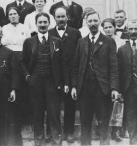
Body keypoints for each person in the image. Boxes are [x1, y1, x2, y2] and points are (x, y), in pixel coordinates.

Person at [71, 10, 119, 145]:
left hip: (102, 88)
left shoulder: (108, 42)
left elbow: (114, 66)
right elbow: (76, 66)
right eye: (90, 21)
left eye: (95, 21)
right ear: (86, 23)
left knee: (103, 123)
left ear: (99, 21)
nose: (93, 24)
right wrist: (74, 86)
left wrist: (114, 88)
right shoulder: (81, 42)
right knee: (85, 123)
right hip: (84, 88)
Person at [21, 12, 69, 146]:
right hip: (35, 83)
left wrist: (64, 82)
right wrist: (28, 77)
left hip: (53, 83)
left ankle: (56, 142)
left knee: (54, 115)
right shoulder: (29, 42)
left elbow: (63, 63)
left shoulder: (57, 41)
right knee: (37, 115)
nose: (42, 25)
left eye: (45, 22)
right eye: (40, 22)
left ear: (49, 24)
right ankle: (39, 142)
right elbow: (23, 62)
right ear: (36, 24)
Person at [48, 7, 82, 143]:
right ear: (54, 18)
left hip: (71, 72)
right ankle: (51, 132)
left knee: (70, 104)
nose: (61, 19)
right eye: (58, 17)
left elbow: (79, 53)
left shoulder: (75, 33)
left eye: (63, 16)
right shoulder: (49, 32)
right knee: (51, 104)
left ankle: (69, 132)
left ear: (67, 17)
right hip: (53, 74)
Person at [2, 7, 31, 127]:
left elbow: (28, 44)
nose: (13, 16)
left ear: (19, 16)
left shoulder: (25, 28)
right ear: (8, 16)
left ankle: (24, 118)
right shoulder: (4, 28)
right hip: (8, 56)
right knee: (10, 84)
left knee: (22, 86)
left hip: (22, 57)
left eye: (15, 14)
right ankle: (11, 119)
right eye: (10, 14)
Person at [101, 18, 125, 142]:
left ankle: (116, 130)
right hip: (104, 77)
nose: (108, 29)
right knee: (104, 104)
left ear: (114, 28)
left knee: (117, 104)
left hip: (118, 75)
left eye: (110, 27)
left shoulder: (121, 42)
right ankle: (103, 130)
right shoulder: (101, 41)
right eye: (106, 27)